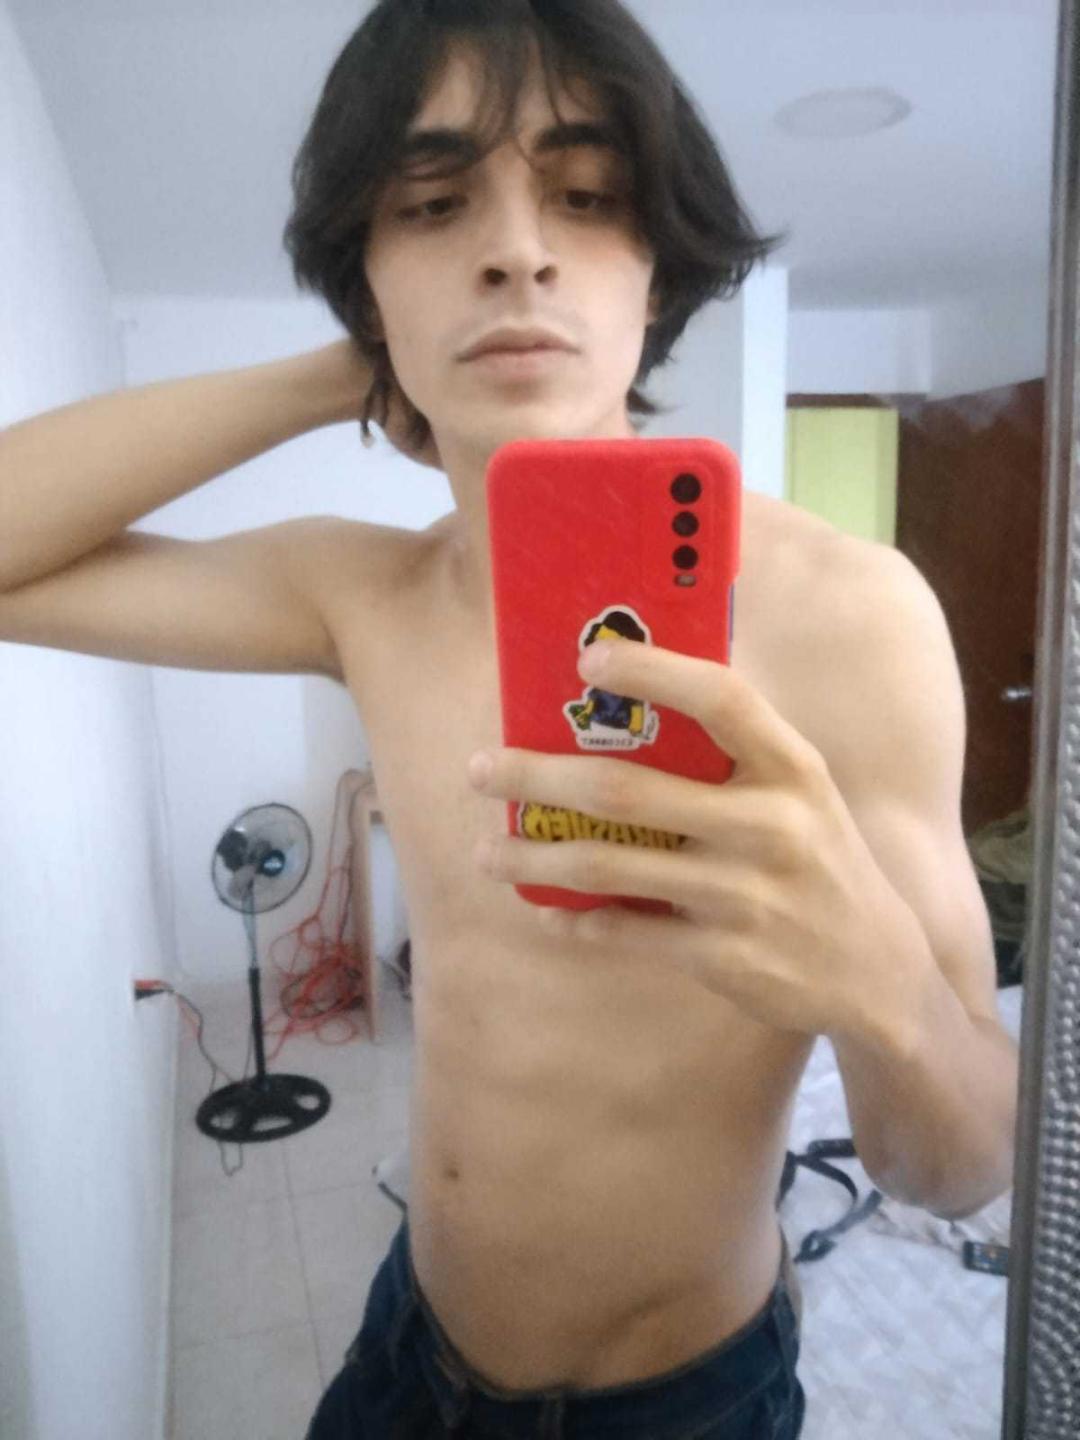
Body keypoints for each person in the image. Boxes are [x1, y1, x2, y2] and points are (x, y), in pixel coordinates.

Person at [0, 1, 1018, 1436]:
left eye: (586, 195)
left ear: (654, 267)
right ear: (368, 280)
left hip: (683, 1401)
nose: (518, 250)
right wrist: (353, 367)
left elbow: (957, 1169)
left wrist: (883, 988)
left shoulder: (848, 617)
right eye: (432, 205)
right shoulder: (366, 593)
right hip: (407, 1349)